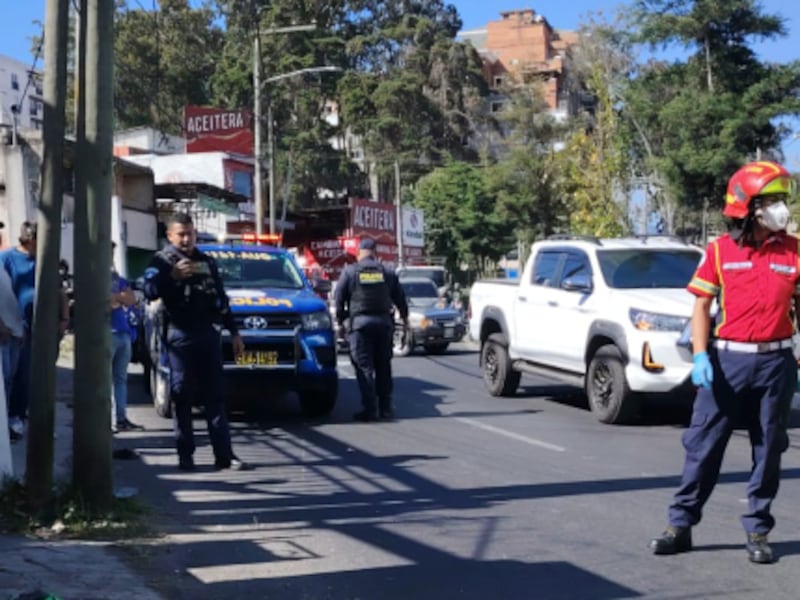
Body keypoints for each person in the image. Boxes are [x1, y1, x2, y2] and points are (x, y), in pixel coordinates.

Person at [650, 160, 799, 564]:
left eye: (783, 200)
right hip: (727, 362)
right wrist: (700, 356)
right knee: (703, 446)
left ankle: (758, 531)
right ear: (747, 206)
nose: (781, 208)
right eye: (771, 201)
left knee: (768, 450)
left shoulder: (794, 250)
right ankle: (679, 526)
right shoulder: (719, 251)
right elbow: (701, 306)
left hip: (776, 364)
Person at [142, 212, 249, 471]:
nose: (187, 239)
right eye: (181, 234)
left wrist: (234, 332)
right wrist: (172, 278)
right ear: (170, 235)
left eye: (190, 233)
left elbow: (221, 299)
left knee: (216, 397)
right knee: (182, 397)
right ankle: (186, 456)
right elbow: (147, 290)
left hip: (208, 336)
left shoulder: (206, 261)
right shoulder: (161, 260)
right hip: (180, 338)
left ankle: (224, 456)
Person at [334, 237, 409, 422]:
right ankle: (385, 407)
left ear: (359, 253)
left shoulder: (350, 272)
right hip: (384, 325)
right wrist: (405, 320)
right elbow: (400, 298)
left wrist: (341, 322)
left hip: (360, 326)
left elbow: (338, 299)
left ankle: (370, 409)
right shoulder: (387, 272)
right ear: (375, 253)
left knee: (364, 367)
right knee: (383, 366)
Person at [110, 242, 143, 433]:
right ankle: (111, 420)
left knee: (120, 379)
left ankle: (121, 417)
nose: (111, 256)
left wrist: (118, 298)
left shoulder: (117, 278)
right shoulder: (95, 278)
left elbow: (131, 299)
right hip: (107, 333)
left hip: (123, 332)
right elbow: (104, 304)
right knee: (107, 380)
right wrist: (117, 298)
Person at [0, 221, 25, 441]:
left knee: (10, 381)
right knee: (4, 380)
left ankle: (6, 423)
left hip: (14, 332)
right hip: (3, 334)